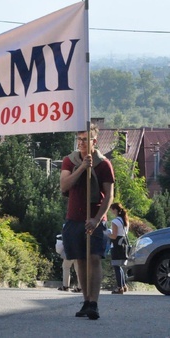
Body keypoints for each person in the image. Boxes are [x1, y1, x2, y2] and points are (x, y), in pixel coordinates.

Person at [60, 124, 114, 320]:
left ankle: (94, 303)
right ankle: (85, 300)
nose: (81, 143)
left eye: (85, 139)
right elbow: (64, 185)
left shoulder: (103, 164)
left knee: (94, 258)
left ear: (94, 141)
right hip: (74, 218)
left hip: (95, 219)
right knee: (80, 260)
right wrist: (82, 167)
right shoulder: (70, 161)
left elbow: (109, 195)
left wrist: (97, 219)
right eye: (79, 139)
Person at [108, 202, 130, 294]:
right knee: (119, 266)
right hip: (123, 244)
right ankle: (123, 285)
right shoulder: (125, 221)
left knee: (116, 266)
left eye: (112, 209)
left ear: (115, 210)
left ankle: (119, 287)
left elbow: (114, 235)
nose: (111, 211)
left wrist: (106, 234)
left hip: (116, 245)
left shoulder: (115, 221)